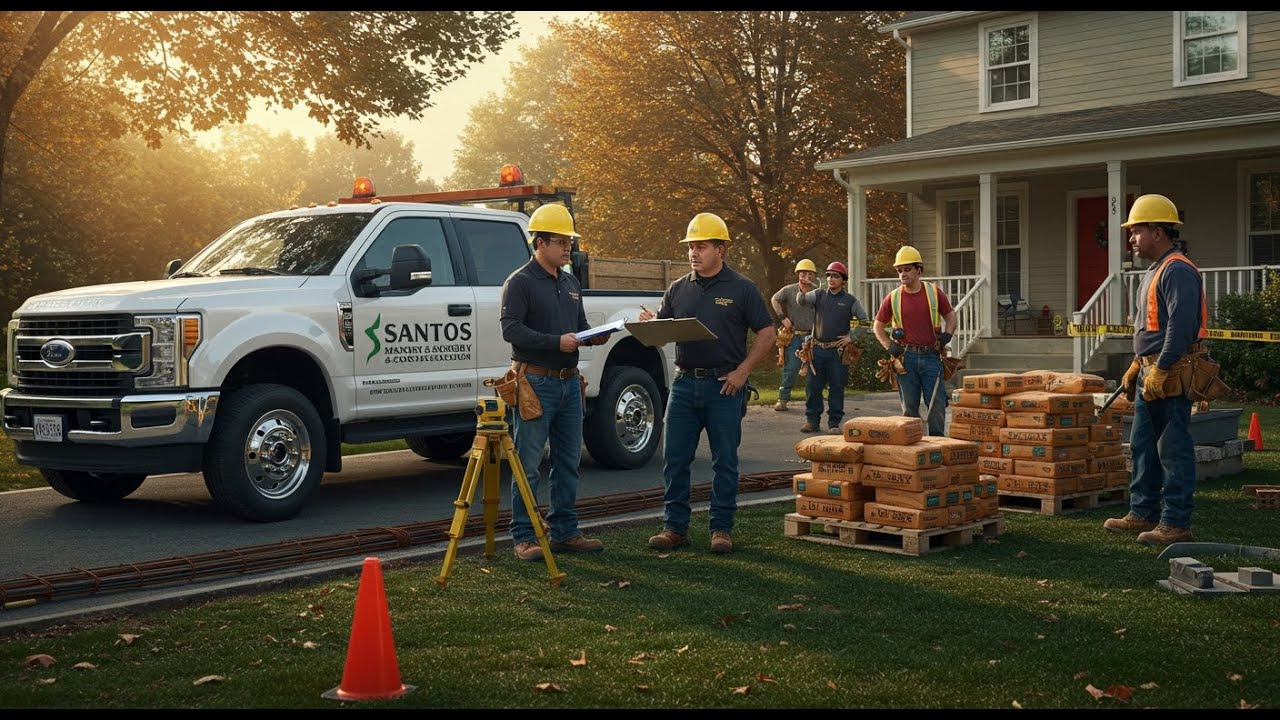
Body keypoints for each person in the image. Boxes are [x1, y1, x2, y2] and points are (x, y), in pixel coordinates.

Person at [635, 212, 775, 554]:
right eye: (690, 247)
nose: (693, 253)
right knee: (675, 459)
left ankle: (721, 529)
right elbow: (662, 335)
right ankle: (674, 528)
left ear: (721, 249)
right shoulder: (677, 288)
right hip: (683, 385)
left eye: (701, 246)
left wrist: (743, 372)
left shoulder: (742, 288)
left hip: (725, 386)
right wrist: (650, 324)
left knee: (724, 460)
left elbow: (768, 334)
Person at [500, 203, 613, 561]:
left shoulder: (570, 282)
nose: (568, 248)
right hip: (535, 383)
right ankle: (524, 535)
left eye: (569, 242)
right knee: (529, 463)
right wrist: (556, 342)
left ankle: (564, 531)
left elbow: (576, 327)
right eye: (561, 242)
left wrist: (592, 336)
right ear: (540, 243)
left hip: (568, 383)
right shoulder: (519, 282)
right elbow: (511, 330)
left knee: (567, 461)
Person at [1103, 194, 1204, 547]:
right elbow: (1153, 326)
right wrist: (1136, 364)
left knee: (1173, 447)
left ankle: (1175, 521)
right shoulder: (1156, 269)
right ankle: (1143, 512)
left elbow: (1180, 327)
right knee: (1144, 444)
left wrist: (1159, 368)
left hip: (1171, 372)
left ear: (1158, 231)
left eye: (1136, 230)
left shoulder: (1177, 269)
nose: (1131, 238)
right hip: (1152, 371)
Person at [872, 246, 958, 436]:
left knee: (936, 404)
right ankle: (913, 449)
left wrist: (947, 335)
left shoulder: (934, 293)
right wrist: (889, 346)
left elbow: (951, 316)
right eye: (900, 270)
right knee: (909, 408)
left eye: (907, 269)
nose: (903, 274)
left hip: (931, 357)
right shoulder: (893, 298)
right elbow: (877, 326)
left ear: (919, 271)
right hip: (905, 358)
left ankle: (937, 445)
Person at [796, 261, 869, 434]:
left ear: (843, 280)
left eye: (835, 276)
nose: (831, 279)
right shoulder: (819, 294)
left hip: (837, 353)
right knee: (813, 387)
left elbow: (865, 322)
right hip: (817, 350)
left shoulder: (850, 300)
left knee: (836, 388)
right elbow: (802, 301)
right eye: (828, 275)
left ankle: (834, 423)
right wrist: (803, 287)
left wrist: (851, 337)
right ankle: (812, 421)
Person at [770, 259, 818, 412]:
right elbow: (774, 299)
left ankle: (813, 401)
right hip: (794, 335)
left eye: (809, 274)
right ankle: (782, 399)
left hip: (813, 336)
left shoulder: (818, 293)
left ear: (814, 276)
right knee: (790, 368)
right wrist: (782, 317)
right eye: (803, 273)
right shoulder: (789, 290)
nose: (806, 276)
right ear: (798, 274)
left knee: (814, 370)